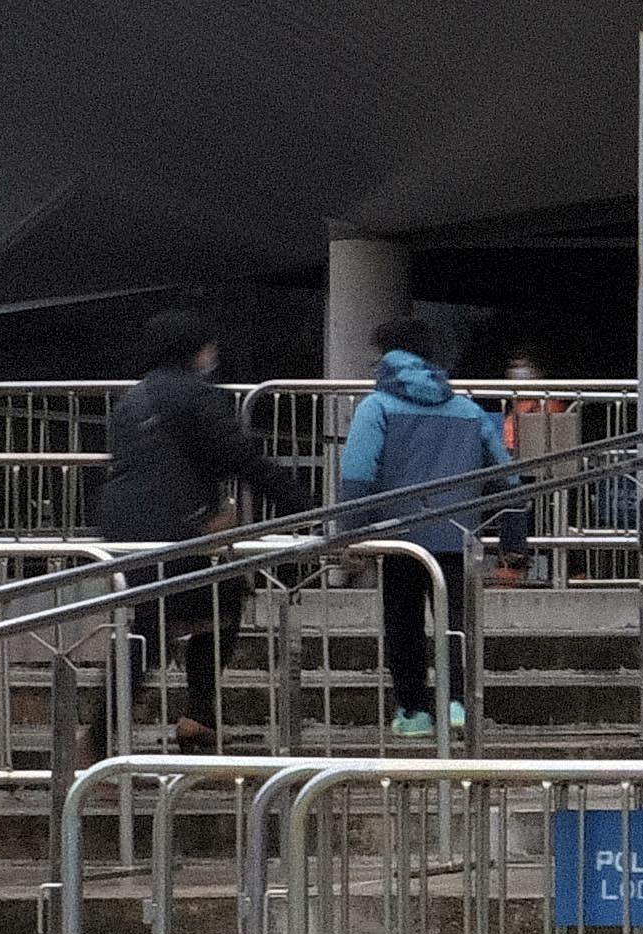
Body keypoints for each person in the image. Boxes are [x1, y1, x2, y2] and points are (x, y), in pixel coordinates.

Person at [92, 306, 287, 750]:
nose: (213, 354)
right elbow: (241, 457)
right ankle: (109, 735)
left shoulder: (135, 398)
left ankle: (194, 718)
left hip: (130, 525)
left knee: (196, 608)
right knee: (184, 617)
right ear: (195, 350)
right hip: (177, 528)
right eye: (209, 346)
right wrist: (298, 502)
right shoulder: (195, 395)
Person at [329, 322, 503, 737]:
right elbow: (505, 474)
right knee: (457, 623)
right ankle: (457, 704)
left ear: (386, 358)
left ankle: (413, 711)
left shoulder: (377, 407)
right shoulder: (467, 410)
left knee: (403, 624)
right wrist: (513, 535)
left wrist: (352, 534)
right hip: (459, 536)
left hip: (398, 537)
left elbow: (357, 473)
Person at [483, 352, 576, 583]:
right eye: (514, 365)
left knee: (520, 495)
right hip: (507, 467)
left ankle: (516, 563)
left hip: (539, 471)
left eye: (525, 366)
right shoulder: (509, 403)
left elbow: (555, 446)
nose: (518, 370)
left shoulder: (549, 403)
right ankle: (503, 560)